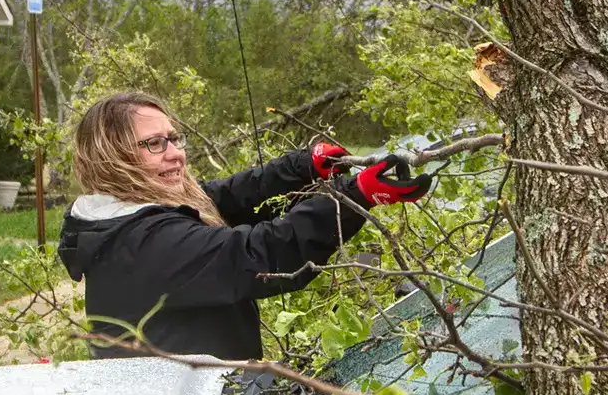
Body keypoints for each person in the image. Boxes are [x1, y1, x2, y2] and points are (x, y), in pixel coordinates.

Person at [56, 92, 430, 360]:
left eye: (174, 139)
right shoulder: (144, 243)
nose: (176, 154)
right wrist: (356, 195)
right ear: (113, 158)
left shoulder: (122, 216)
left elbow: (224, 198)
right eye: (154, 144)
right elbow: (260, 254)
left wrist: (302, 167)